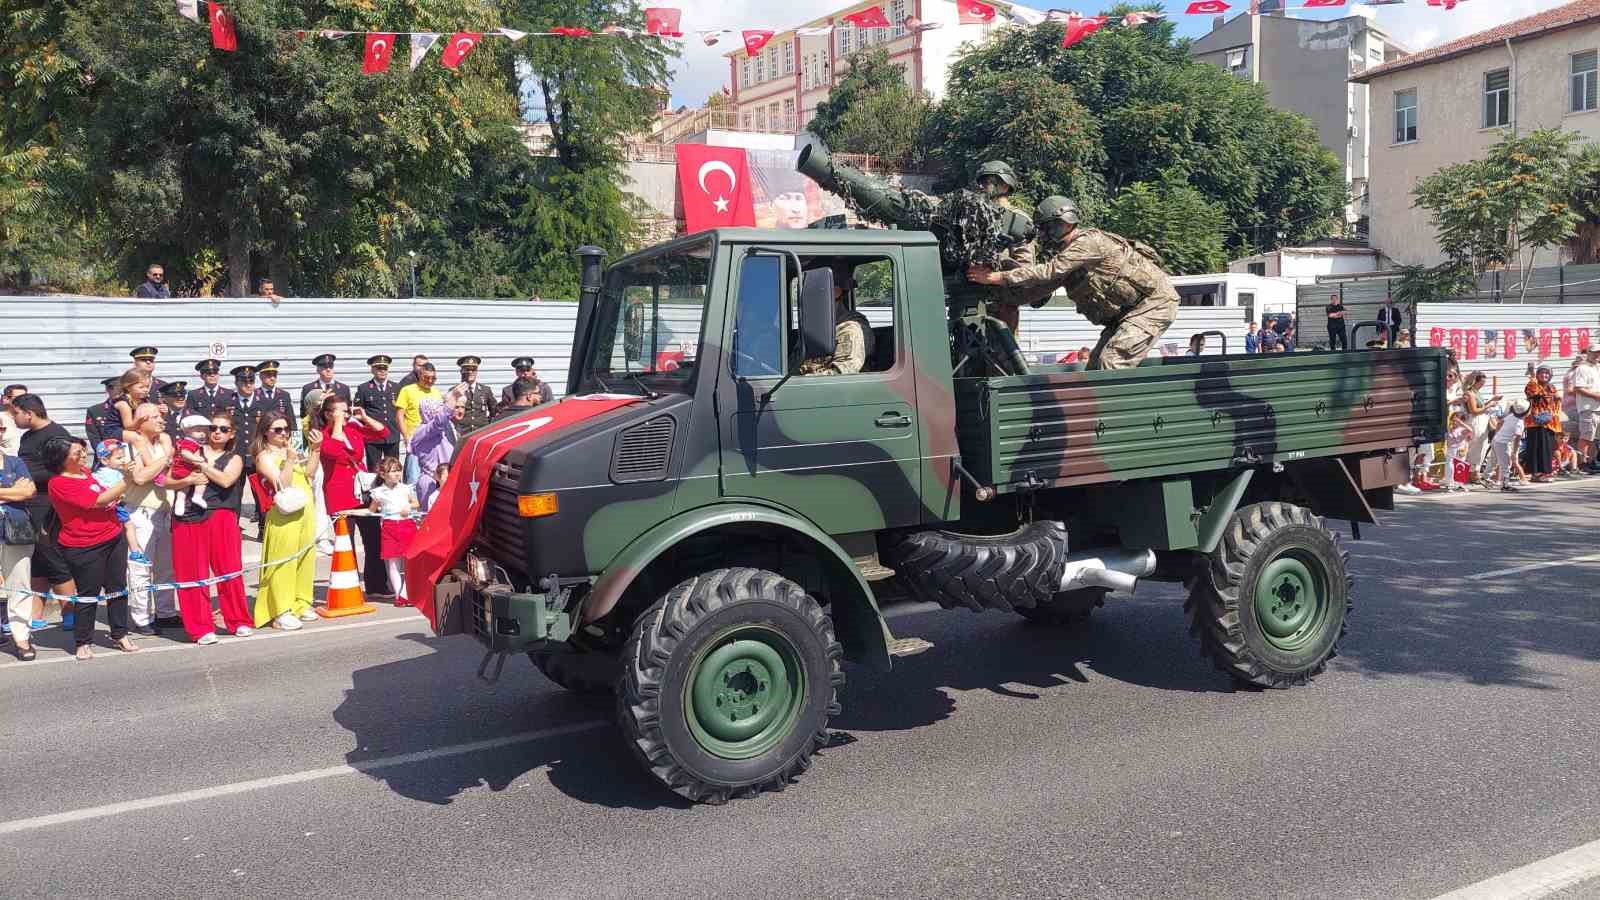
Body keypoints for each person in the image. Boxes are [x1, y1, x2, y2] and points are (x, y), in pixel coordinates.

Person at [968, 196, 1179, 371]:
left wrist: (996, 277)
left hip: (1154, 305)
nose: (1043, 234)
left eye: (1047, 227)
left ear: (1066, 223)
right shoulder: (1069, 257)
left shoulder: (1087, 243)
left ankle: (1111, 419)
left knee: (1112, 363)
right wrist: (998, 296)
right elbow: (1040, 288)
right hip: (1127, 313)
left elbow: (1048, 271)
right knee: (1095, 367)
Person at [44, 438, 137, 659]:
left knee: (117, 588)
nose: (83, 456)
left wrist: (119, 491)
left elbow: (106, 495)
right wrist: (128, 479)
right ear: (61, 459)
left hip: (113, 536)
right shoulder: (59, 483)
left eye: (83, 451)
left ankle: (120, 634)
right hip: (84, 545)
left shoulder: (85, 472)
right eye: (77, 453)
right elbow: (98, 500)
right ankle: (83, 641)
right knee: (88, 594)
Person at [167, 414, 252, 643]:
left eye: (223, 429)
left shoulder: (233, 457)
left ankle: (238, 620)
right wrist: (188, 481)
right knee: (191, 574)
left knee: (229, 571)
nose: (216, 432)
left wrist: (201, 465)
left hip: (221, 515)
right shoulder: (188, 449)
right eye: (212, 427)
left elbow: (226, 480)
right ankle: (200, 627)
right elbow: (167, 480)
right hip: (187, 516)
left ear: (231, 434)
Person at [313, 394, 392, 596]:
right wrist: (337, 423)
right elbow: (333, 451)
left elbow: (384, 432)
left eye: (347, 410)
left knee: (373, 539)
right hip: (340, 496)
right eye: (341, 411)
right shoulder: (323, 434)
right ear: (328, 414)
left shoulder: (353, 429)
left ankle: (377, 585)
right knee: (345, 543)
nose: (346, 414)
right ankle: (350, 586)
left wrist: (364, 418)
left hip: (362, 494)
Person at [10, 394, 78, 621]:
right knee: (37, 557)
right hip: (26, 502)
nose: (13, 418)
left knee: (51, 555)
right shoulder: (27, 437)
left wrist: (25, 476)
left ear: (29, 413)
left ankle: (70, 612)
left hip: (48, 504)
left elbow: (62, 470)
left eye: (16, 413)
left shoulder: (57, 435)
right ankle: (36, 613)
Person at [251, 411, 320, 630]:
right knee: (283, 561)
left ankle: (300, 602)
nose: (283, 433)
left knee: (305, 557)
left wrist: (316, 450)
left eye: (286, 429)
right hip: (284, 512)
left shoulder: (290, 449)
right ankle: (281, 610)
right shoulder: (263, 455)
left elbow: (308, 473)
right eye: (277, 430)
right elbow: (281, 483)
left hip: (305, 507)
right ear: (265, 432)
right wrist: (289, 460)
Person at [123, 402, 177, 635]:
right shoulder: (131, 446)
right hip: (141, 511)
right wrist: (163, 461)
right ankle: (141, 616)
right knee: (140, 566)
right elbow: (141, 477)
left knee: (166, 567)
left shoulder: (163, 442)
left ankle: (165, 612)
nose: (161, 420)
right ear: (142, 420)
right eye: (154, 416)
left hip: (164, 511)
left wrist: (164, 455)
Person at [970, 160, 1036, 336]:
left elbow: (1026, 272)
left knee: (1002, 361)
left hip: (1001, 307)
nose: (983, 187)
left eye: (989, 182)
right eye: (981, 182)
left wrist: (994, 276)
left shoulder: (1018, 221)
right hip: (970, 300)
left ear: (1005, 186)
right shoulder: (973, 215)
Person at [798, 264, 874, 376]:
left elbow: (840, 376)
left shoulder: (850, 329)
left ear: (836, 292)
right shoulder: (815, 327)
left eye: (813, 292)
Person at [0, 441, 37, 660]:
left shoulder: (15, 462)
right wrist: (14, 491)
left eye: (1, 428)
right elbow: (20, 491)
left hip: (17, 530)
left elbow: (29, 491)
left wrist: (20, 492)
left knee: (20, 584)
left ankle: (22, 637)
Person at [367, 456, 419, 606]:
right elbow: (372, 509)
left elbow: (416, 502)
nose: (397, 474)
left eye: (399, 471)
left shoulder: (405, 488)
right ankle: (399, 594)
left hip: (407, 525)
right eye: (393, 471)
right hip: (389, 527)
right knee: (393, 563)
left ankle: (406, 593)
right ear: (383, 474)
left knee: (409, 561)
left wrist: (409, 507)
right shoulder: (378, 492)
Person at [410, 390, 464, 511]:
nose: (439, 411)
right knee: (429, 519)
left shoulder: (446, 428)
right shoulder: (424, 431)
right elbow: (438, 422)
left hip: (446, 478)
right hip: (431, 482)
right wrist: (452, 400)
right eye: (436, 409)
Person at [395, 362, 443, 482]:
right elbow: (399, 416)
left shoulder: (436, 392)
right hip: (415, 440)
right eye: (427, 377)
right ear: (420, 375)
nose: (430, 381)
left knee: (432, 477)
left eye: (434, 378)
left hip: (433, 442)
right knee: (413, 477)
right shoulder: (407, 390)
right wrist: (406, 437)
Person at [355, 355, 401, 470]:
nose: (382, 371)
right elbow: (358, 414)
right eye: (379, 368)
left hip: (392, 435)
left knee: (393, 467)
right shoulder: (364, 388)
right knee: (374, 468)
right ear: (372, 370)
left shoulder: (395, 387)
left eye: (385, 368)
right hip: (373, 436)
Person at [1524, 365, 1562, 484]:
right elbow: (1534, 392)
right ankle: (1536, 473)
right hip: (1535, 422)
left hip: (1549, 422)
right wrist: (1532, 375)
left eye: (1547, 373)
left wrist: (1557, 398)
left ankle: (1545, 472)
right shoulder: (1532, 385)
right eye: (1541, 373)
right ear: (1537, 374)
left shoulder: (1552, 387)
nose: (1544, 375)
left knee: (1547, 448)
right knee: (1535, 448)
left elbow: (1557, 400)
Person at [1461, 371, 1500, 484]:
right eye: (1481, 383)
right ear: (1475, 381)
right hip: (1475, 422)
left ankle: (1474, 472)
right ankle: (1471, 473)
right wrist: (1489, 405)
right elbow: (1474, 411)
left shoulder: (1476, 392)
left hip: (1482, 421)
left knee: (1481, 447)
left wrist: (1492, 401)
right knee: (1475, 447)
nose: (1482, 385)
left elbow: (1480, 407)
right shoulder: (1469, 393)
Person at [1569, 349, 1600, 474]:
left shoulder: (1597, 368)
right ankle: (1582, 463)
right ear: (1589, 353)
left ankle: (1592, 461)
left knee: (1595, 438)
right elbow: (1578, 388)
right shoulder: (1582, 368)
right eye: (1595, 352)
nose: (1597, 355)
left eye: (1599, 352)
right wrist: (1596, 396)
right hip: (1588, 408)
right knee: (1586, 436)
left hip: (1598, 408)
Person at [1492, 398, 1530, 492]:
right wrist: (1514, 452)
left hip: (1497, 441)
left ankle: (1501, 481)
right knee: (1506, 465)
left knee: (1503, 463)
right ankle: (1505, 485)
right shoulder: (1520, 424)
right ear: (1526, 412)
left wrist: (1497, 434)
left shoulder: (1511, 415)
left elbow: (1500, 423)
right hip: (1502, 444)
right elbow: (1517, 440)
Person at [454, 356, 498, 432]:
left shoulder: (485, 390)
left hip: (481, 434)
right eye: (467, 369)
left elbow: (494, 411)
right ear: (461, 371)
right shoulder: (455, 391)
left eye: (473, 370)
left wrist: (489, 426)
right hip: (462, 434)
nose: (470, 372)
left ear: (477, 371)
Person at [300, 354, 352, 418]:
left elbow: (348, 411)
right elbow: (304, 413)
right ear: (318, 370)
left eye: (331, 366)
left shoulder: (344, 388)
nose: (328, 370)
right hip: (317, 426)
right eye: (324, 367)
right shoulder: (308, 388)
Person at [254, 360, 296, 435]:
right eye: (269, 375)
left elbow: (291, 419)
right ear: (260, 376)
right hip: (260, 436)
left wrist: (293, 436)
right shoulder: (254, 395)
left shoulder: (284, 395)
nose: (272, 378)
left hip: (279, 435)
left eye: (274, 375)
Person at [84, 376, 123, 452]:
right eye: (113, 388)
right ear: (107, 390)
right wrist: (106, 454)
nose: (117, 391)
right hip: (106, 456)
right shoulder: (95, 411)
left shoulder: (134, 408)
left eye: (121, 388)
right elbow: (94, 438)